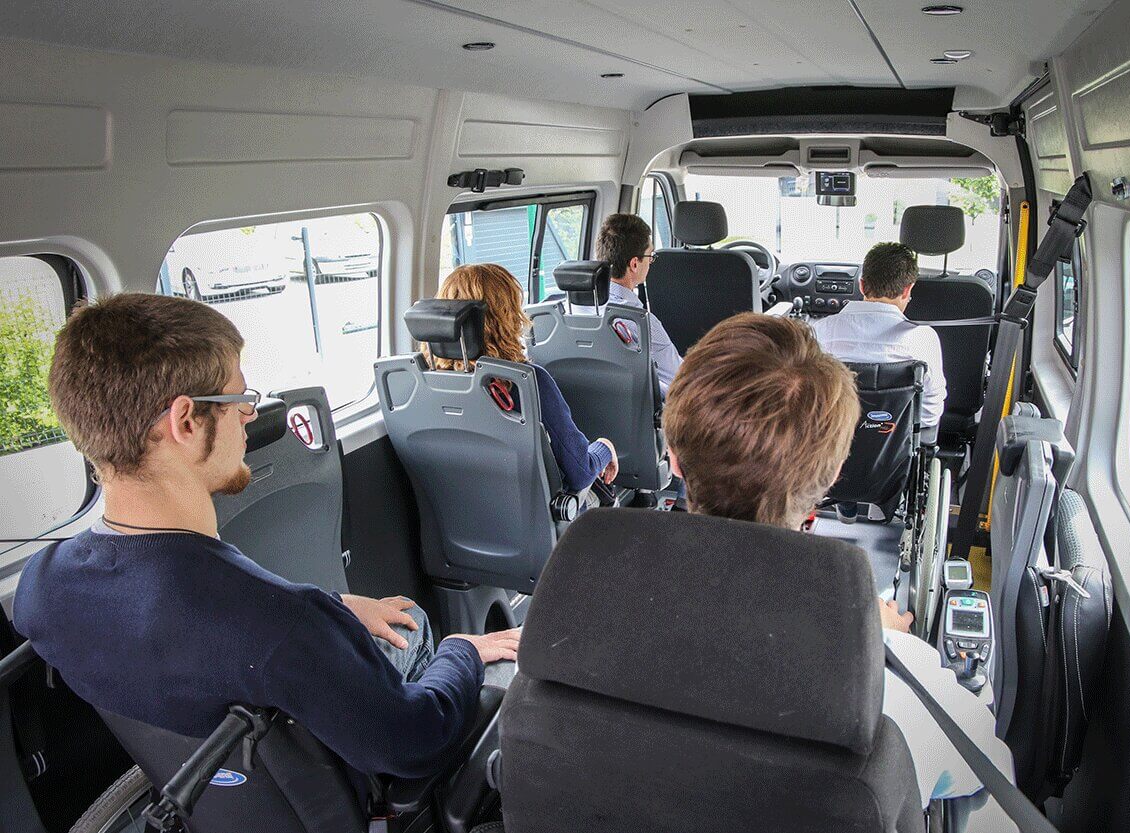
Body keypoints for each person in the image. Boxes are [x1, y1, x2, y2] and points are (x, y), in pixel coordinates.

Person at [14, 293, 520, 781]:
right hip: (352, 789)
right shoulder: (282, 625)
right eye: (240, 400)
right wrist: (463, 651)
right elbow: (415, 742)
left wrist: (333, 605)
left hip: (220, 798)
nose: (251, 417)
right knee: (421, 628)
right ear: (185, 422)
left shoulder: (42, 586)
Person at [662, 312, 1012, 820]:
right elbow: (986, 763)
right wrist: (886, 640)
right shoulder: (883, 680)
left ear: (673, 459)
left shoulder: (570, 621)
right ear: (824, 488)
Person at [430, 263, 618, 494]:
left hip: (457, 526)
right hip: (540, 524)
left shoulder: (422, 390)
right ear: (506, 318)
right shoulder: (526, 382)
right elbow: (581, 472)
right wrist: (605, 447)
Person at [811, 242, 947, 440]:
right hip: (896, 456)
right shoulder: (923, 339)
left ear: (862, 285)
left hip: (830, 449)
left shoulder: (819, 332)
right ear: (907, 290)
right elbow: (930, 412)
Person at [571, 213, 682, 396]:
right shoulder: (640, 322)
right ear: (634, 264)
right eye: (650, 256)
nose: (651, 262)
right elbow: (680, 380)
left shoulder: (563, 312)